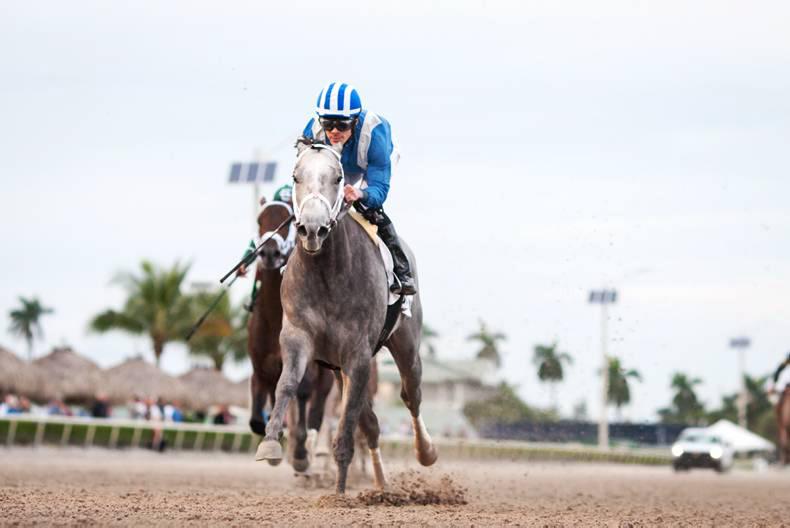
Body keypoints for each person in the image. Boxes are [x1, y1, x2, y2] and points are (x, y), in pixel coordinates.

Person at [301, 82, 416, 295]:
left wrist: (361, 193)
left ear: (354, 120)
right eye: (328, 124)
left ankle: (401, 270)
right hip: (336, 163)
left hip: (368, 165)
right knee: (312, 208)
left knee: (367, 208)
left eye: (342, 125)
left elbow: (379, 189)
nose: (334, 131)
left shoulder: (375, 133)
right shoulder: (312, 132)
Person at [239, 184, 294, 311]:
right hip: (276, 260)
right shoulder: (272, 220)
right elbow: (256, 244)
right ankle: (254, 296)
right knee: (261, 264)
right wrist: (244, 263)